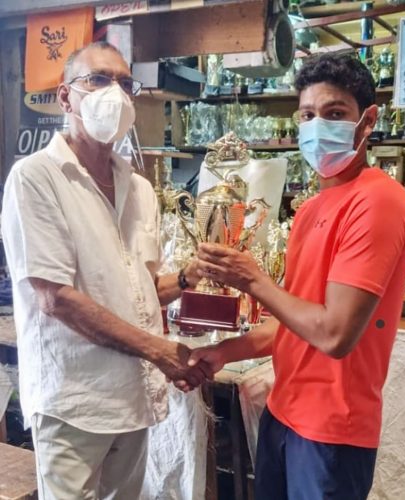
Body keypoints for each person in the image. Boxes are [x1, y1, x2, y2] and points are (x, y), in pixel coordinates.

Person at [181, 53, 405, 499]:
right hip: (284, 412)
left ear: (368, 121)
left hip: (332, 430)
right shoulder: (310, 208)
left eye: (334, 114)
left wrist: (254, 281)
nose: (317, 127)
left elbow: (333, 333)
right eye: (308, 115)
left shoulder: (379, 202)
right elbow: (296, 320)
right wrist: (226, 351)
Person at [1, 41, 211, 499]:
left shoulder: (139, 189)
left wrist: (191, 275)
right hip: (75, 399)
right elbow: (55, 298)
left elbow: (139, 292)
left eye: (123, 83)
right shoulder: (36, 178)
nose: (113, 93)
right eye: (97, 79)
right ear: (65, 97)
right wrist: (157, 349)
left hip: (132, 396)